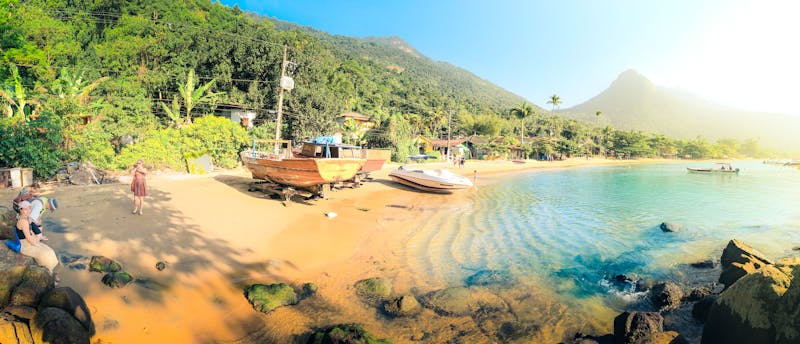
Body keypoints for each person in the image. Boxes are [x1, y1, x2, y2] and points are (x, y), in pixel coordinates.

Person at [15, 201, 59, 275]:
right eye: (26, 209)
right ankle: (48, 270)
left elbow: (33, 228)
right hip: (25, 245)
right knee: (45, 254)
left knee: (50, 250)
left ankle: (50, 268)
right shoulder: (23, 221)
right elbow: (28, 237)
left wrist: (38, 239)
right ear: (21, 210)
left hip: (30, 240)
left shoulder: (26, 218)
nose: (28, 211)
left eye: (29, 208)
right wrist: (37, 244)